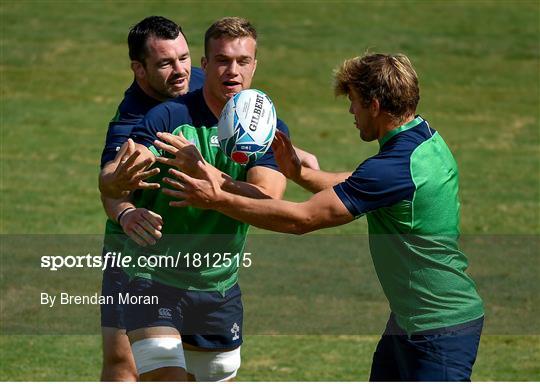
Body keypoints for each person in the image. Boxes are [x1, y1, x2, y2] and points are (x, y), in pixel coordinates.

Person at [163, 53, 485, 381]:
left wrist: (216, 199)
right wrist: (298, 173)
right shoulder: (422, 138)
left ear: (374, 105)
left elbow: (301, 219)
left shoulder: (393, 168)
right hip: (410, 322)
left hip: (439, 331)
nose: (351, 111)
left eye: (355, 102)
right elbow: (358, 185)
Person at [116, 17, 293, 381]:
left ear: (255, 65)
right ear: (205, 65)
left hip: (217, 287)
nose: (233, 70)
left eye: (243, 61)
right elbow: (124, 175)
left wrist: (211, 182)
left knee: (214, 373)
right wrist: (120, 186)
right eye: (223, 60)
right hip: (153, 279)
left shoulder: (265, 129)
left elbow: (267, 200)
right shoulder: (168, 116)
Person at [97, 16, 204, 381]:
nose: (180, 71)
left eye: (185, 57)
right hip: (135, 245)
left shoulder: (201, 83)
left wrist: (293, 156)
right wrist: (125, 213)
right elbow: (111, 186)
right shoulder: (130, 123)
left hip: (197, 250)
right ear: (139, 69)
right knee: (122, 359)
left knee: (193, 363)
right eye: (165, 63)